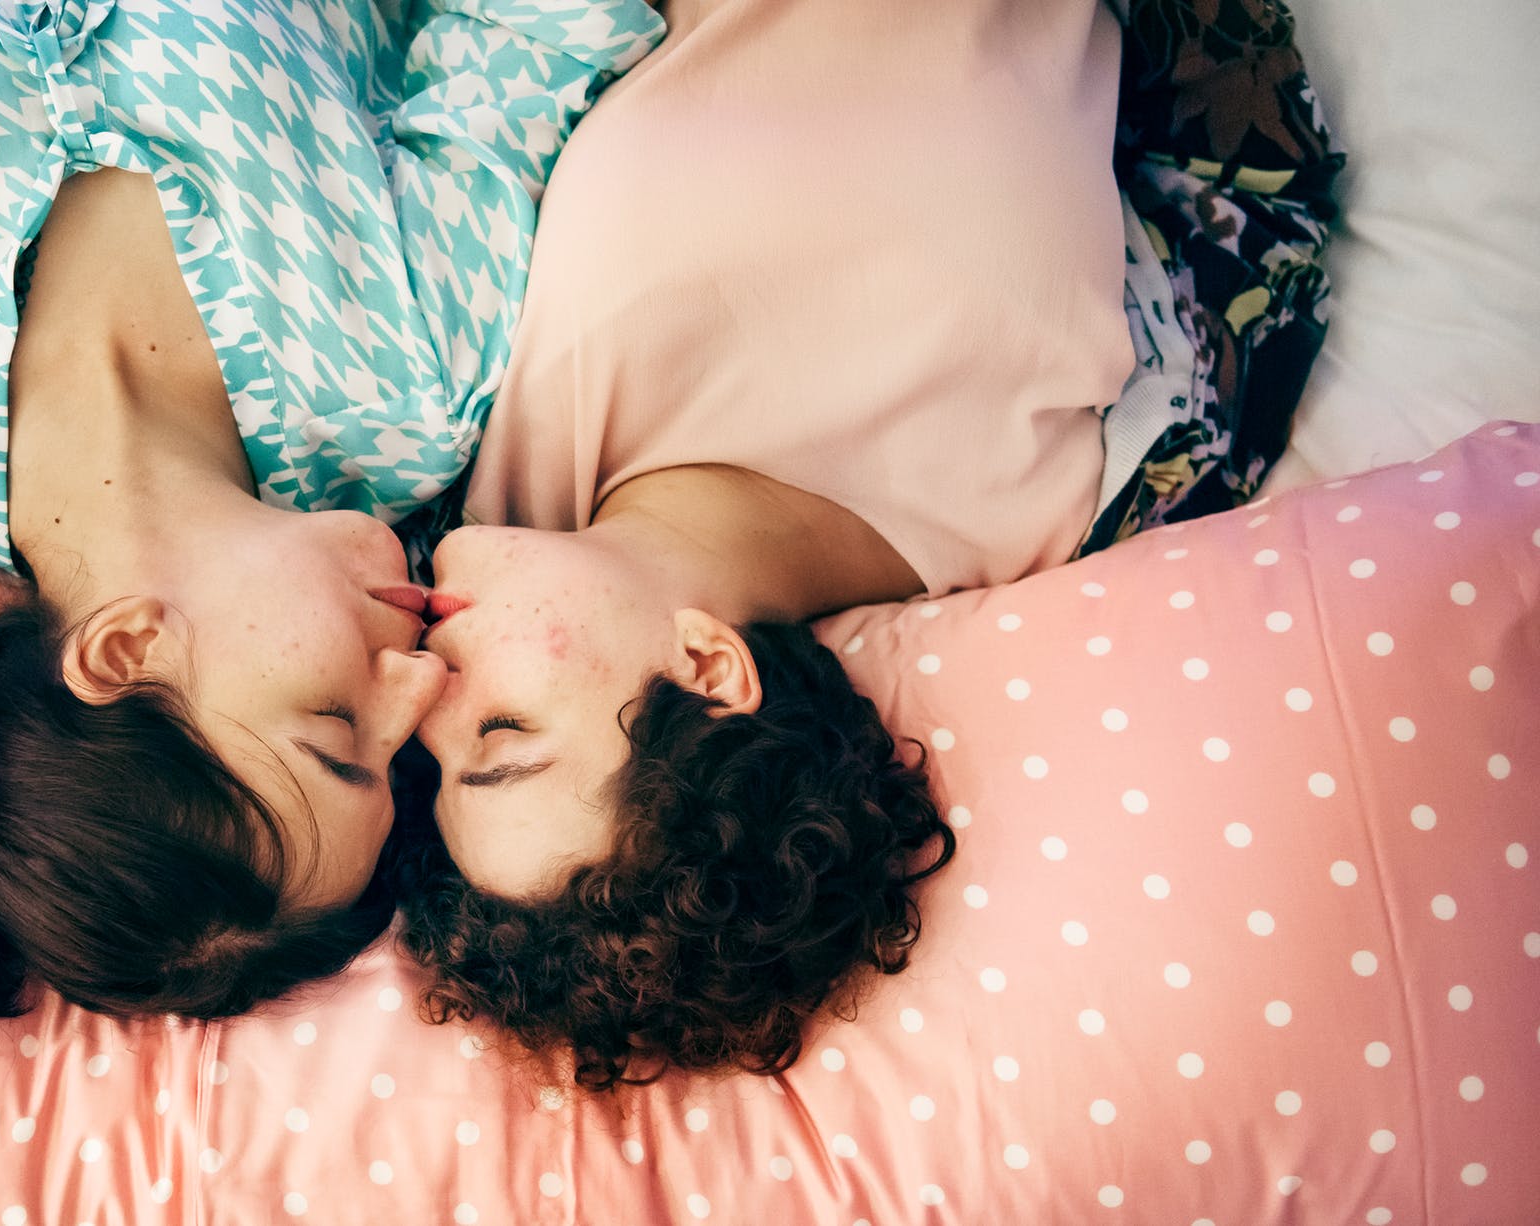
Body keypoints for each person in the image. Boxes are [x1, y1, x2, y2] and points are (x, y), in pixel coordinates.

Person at [0, 0, 663, 1046]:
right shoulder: (409, 393)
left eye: (334, 730)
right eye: (397, 749)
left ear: (124, 650)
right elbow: (534, 32)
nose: (420, 682)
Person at [396, 0, 1343, 1089]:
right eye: (502, 730)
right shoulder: (1095, 485)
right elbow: (1258, 186)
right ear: (706, 668)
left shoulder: (458, 499)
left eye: (438, 761)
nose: (425, 695)